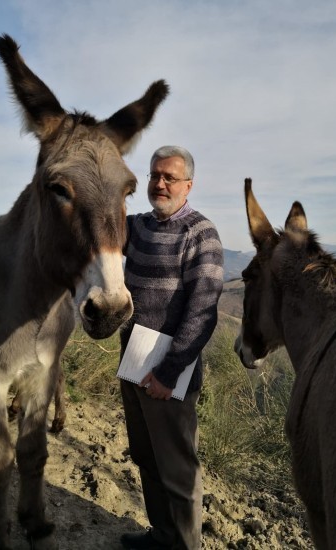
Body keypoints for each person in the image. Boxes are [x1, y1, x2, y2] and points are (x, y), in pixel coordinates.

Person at [119, 146, 224, 550]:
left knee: (178, 470)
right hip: (132, 360)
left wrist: (168, 372)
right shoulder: (137, 226)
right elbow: (92, 224)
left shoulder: (202, 234)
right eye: (153, 175)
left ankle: (183, 545)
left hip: (170, 373)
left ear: (188, 185)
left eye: (169, 178)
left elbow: (202, 313)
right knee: (146, 457)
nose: (159, 184)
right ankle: (161, 535)